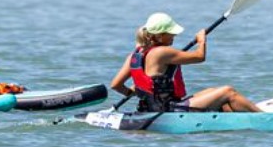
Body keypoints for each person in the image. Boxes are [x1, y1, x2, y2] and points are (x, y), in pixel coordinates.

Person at [109, 12, 260, 112]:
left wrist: (139, 93)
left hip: (149, 109)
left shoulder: (134, 56)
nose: (174, 36)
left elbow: (116, 85)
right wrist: (202, 40)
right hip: (170, 109)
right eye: (171, 33)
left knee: (212, 92)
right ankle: (265, 116)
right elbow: (199, 57)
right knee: (228, 91)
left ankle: (238, 115)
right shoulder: (163, 52)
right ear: (160, 36)